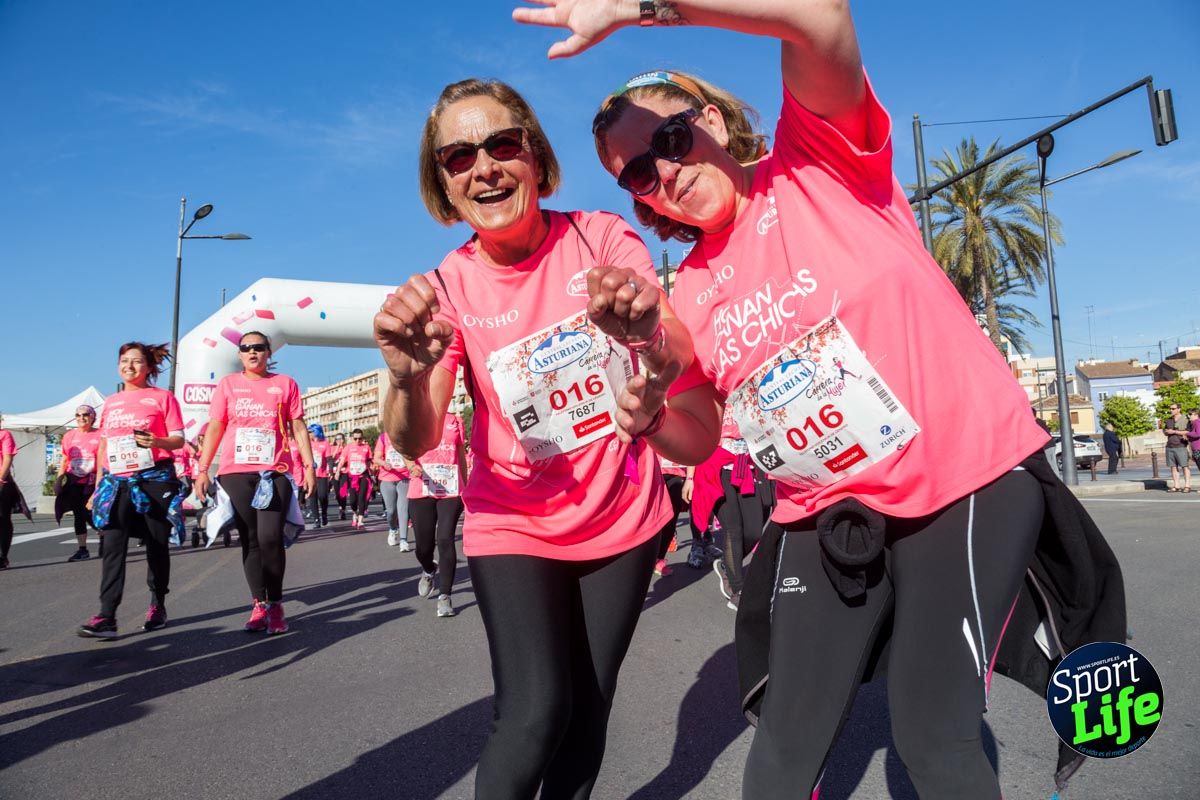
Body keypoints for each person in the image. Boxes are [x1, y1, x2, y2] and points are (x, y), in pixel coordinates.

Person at [520, 3, 1122, 797]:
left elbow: (819, 17)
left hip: (963, 480)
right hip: (826, 506)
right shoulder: (689, 291)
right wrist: (653, 417)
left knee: (933, 730)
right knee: (780, 749)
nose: (661, 171)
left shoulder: (819, 161)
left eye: (668, 138)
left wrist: (643, 9)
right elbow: (698, 433)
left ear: (709, 119)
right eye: (636, 171)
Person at [373, 76, 695, 799]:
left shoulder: (602, 238)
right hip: (511, 520)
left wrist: (644, 331)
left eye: (502, 144)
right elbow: (416, 438)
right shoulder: (446, 287)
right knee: (535, 709)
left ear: (535, 157)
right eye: (459, 156)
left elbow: (671, 352)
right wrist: (402, 376)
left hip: (621, 515)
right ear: (444, 185)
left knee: (587, 715)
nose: (483, 166)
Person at [194, 331, 316, 635]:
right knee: (250, 540)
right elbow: (216, 427)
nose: (252, 352)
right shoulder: (228, 385)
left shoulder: (285, 384)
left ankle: (275, 603)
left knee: (270, 538)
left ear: (268, 352)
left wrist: (309, 467)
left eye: (258, 347)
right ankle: (259, 603)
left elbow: (298, 427)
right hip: (236, 472)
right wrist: (203, 469)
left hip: (274, 471)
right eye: (246, 348)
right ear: (239, 354)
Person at [79, 342, 184, 637]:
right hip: (116, 482)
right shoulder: (111, 402)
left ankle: (157, 604)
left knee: (156, 543)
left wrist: (157, 442)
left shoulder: (162, 398)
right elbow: (104, 445)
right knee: (113, 546)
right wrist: (98, 487)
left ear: (149, 367)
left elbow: (178, 439)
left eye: (137, 361)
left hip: (154, 479)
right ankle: (107, 615)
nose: (129, 366)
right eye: (124, 361)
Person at [406, 411, 467, 616]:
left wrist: (466, 487)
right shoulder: (415, 416)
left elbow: (460, 456)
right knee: (423, 547)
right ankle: (428, 569)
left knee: (445, 539)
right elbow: (404, 449)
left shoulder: (455, 420)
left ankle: (445, 596)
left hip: (450, 489)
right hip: (421, 488)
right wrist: (411, 465)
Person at [58, 405, 102, 562]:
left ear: (92, 417)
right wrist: (59, 479)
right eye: (78, 415)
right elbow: (64, 459)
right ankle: (82, 549)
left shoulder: (100, 435)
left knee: (92, 514)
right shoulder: (69, 436)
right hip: (74, 480)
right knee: (78, 515)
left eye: (85, 415)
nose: (81, 418)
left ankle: (104, 538)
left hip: (94, 481)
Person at [374, 428, 412, 549]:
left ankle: (403, 540)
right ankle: (392, 529)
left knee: (403, 509)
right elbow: (376, 458)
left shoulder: (407, 436)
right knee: (391, 511)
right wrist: (384, 463)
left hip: (404, 478)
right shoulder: (384, 437)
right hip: (387, 478)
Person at [337, 429, 373, 529]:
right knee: (353, 500)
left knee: (362, 498)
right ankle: (355, 513)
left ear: (362, 438)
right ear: (352, 438)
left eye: (360, 438)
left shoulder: (366, 447)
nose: (358, 440)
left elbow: (369, 462)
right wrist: (337, 471)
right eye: (355, 438)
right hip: (352, 477)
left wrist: (372, 473)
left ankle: (360, 521)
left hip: (363, 476)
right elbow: (342, 460)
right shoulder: (348, 448)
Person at [0, 417, 18, 569]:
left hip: (3, 484)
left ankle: (2, 556)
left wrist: (0, 478)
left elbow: (7, 458)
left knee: (3, 519)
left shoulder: (4, 435)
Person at [307, 424, 333, 528]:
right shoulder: (307, 444)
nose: (309, 434)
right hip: (310, 474)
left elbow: (329, 459)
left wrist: (330, 470)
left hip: (322, 474)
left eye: (310, 432)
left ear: (316, 432)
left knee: (323, 496)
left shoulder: (325, 443)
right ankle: (316, 519)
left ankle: (324, 514)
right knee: (312, 497)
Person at [1163, 402, 1192, 492]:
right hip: (1170, 446)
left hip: (1181, 446)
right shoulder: (1168, 420)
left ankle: (1187, 486)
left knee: (1185, 466)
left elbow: (1188, 432)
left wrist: (1174, 432)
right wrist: (1166, 432)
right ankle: (1176, 485)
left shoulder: (1186, 419)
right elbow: (1165, 431)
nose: (1171, 410)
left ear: (1179, 409)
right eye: (1170, 409)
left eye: (1173, 409)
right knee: (1173, 467)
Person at [330, 432, 349, 520]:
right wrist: (337, 448)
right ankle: (340, 506)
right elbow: (332, 458)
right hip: (334, 473)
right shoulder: (332, 447)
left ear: (343, 439)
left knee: (343, 492)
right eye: (337, 439)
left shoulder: (346, 448)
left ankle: (342, 509)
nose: (339, 440)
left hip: (344, 472)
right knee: (337, 493)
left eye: (340, 438)